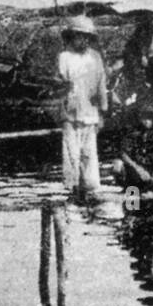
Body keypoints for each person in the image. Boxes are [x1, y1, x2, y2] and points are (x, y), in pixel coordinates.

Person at [56, 15, 108, 201]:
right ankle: (73, 193)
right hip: (71, 115)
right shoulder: (64, 57)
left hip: (91, 113)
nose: (83, 40)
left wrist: (102, 112)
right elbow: (59, 84)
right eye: (80, 36)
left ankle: (92, 191)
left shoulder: (96, 57)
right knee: (72, 157)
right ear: (72, 37)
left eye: (87, 37)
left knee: (90, 156)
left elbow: (101, 86)